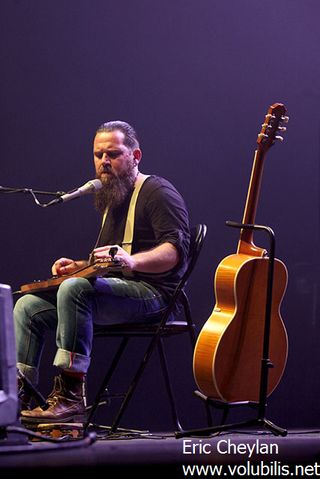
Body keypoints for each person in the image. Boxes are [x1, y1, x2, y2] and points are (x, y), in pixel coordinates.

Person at [14, 120, 190, 423]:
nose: (104, 162)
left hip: (156, 297)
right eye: (98, 155)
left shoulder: (157, 192)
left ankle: (70, 396)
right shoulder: (113, 197)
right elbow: (110, 261)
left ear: (136, 156)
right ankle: (17, 396)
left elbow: (175, 252)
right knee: (27, 306)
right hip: (116, 294)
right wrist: (79, 266)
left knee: (74, 290)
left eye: (113, 154)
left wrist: (133, 262)